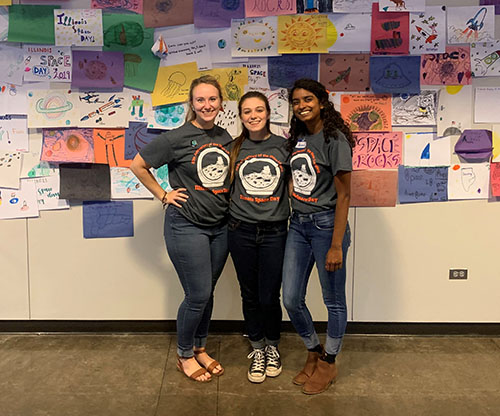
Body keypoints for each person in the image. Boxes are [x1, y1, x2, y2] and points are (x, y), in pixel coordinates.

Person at [130, 75, 232, 382]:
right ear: (192, 104)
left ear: (221, 103)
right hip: (186, 225)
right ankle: (185, 354)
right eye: (200, 100)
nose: (207, 105)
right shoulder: (176, 137)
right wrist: (163, 194)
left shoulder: (226, 137)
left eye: (212, 99)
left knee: (207, 292)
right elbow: (137, 165)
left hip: (220, 226)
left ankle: (201, 348)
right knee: (197, 293)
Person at [282, 78, 355, 395]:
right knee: (291, 298)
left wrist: (336, 244)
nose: (301, 106)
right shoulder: (297, 137)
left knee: (333, 302)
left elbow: (345, 196)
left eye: (308, 99)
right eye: (296, 101)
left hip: (327, 227)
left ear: (323, 101)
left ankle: (330, 361)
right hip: (298, 225)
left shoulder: (334, 139)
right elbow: (293, 178)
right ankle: (313, 350)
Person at [228, 91, 290, 383]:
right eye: (247, 111)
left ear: (268, 113)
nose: (253, 116)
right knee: (249, 293)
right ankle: (257, 347)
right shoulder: (233, 149)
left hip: (275, 231)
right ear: (240, 116)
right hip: (240, 231)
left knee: (269, 294)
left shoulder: (284, 147)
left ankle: (273, 346)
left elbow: (299, 184)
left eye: (259, 110)